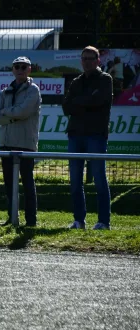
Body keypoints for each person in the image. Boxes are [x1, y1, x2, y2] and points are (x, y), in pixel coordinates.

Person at [62, 46, 113, 230]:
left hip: (96, 135)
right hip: (75, 135)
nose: (87, 61)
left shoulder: (105, 79)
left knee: (99, 178)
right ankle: (79, 220)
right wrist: (86, 101)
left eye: (91, 58)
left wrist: (79, 102)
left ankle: (103, 222)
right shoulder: (76, 81)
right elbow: (66, 107)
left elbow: (99, 101)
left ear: (98, 60)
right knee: (75, 180)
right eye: (84, 58)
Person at [0, 56, 41, 227]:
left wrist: (7, 114)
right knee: (9, 185)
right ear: (13, 70)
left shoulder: (33, 90)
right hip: (6, 143)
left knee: (27, 183)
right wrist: (11, 116)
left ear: (29, 69)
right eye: (16, 66)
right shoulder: (5, 92)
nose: (19, 69)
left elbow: (24, 112)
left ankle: (31, 221)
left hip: (25, 144)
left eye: (23, 66)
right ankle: (12, 218)